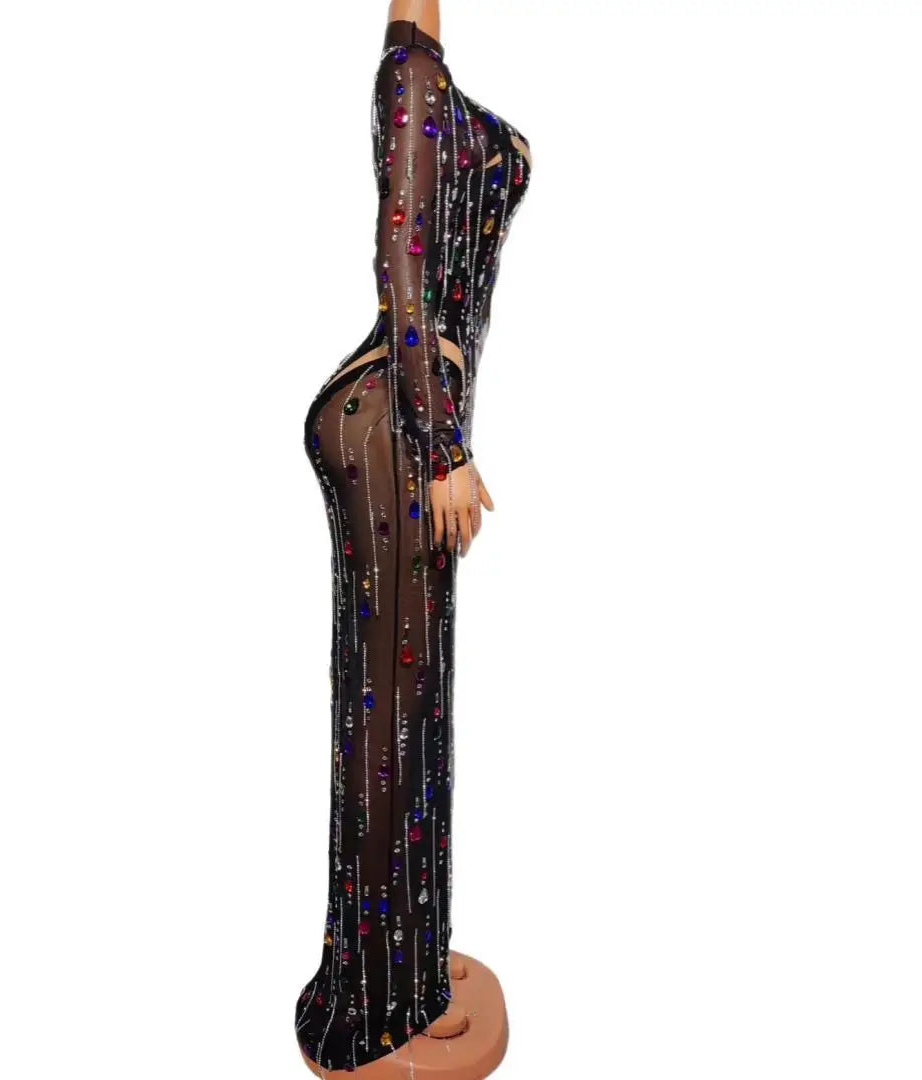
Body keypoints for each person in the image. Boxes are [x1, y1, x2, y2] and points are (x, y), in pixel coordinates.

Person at [296, 2, 534, 1071]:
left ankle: (410, 970)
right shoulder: (409, 78)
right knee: (393, 714)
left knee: (409, 708)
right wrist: (442, 450)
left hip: (408, 419)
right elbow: (402, 266)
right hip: (395, 425)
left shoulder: (426, 77)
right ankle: (373, 1010)